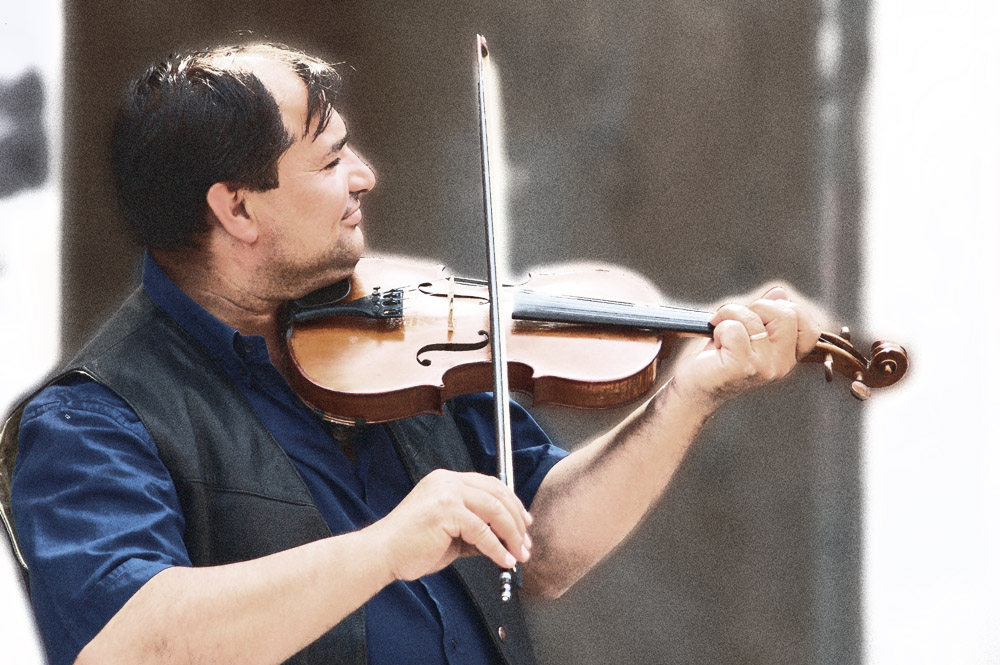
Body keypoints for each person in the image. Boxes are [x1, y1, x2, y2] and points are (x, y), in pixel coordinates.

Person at [3, 43, 821, 665]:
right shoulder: (92, 418)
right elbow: (128, 640)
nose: (364, 176)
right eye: (329, 159)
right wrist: (386, 548)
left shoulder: (402, 335)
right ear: (238, 209)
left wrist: (690, 397)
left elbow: (541, 546)